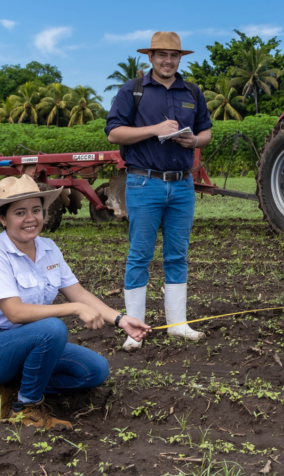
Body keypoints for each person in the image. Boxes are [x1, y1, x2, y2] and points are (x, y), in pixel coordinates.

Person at [0, 175, 151, 430]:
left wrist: (120, 319)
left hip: (25, 344)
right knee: (52, 328)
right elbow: (15, 313)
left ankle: (10, 390)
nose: (30, 218)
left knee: (94, 370)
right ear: (3, 219)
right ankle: (26, 407)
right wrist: (74, 309)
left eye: (36, 210)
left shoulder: (48, 248)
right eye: (20, 212)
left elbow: (78, 293)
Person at [106, 31, 213, 348]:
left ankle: (177, 325)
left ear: (180, 59)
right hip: (143, 181)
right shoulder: (134, 90)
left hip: (181, 185)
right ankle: (134, 332)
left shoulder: (191, 91)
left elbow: (206, 132)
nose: (168, 61)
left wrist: (193, 140)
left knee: (177, 256)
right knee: (139, 255)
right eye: (162, 55)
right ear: (150, 57)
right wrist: (154, 130)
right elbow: (114, 133)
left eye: (174, 55)